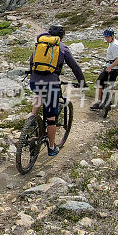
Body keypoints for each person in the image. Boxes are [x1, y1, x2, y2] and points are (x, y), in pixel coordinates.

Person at [28, 24, 86, 156]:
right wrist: (82, 82)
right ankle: (52, 147)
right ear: (62, 36)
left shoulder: (40, 45)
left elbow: (32, 62)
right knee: (51, 118)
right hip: (52, 84)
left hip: (35, 81)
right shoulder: (63, 48)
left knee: (39, 94)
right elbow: (75, 67)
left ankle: (31, 119)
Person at [90, 28, 118, 110]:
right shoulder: (113, 43)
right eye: (105, 37)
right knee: (110, 84)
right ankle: (109, 101)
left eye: (108, 37)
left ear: (112, 36)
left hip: (112, 67)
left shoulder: (114, 45)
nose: (106, 39)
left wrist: (110, 67)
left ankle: (99, 102)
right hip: (114, 67)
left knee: (99, 83)